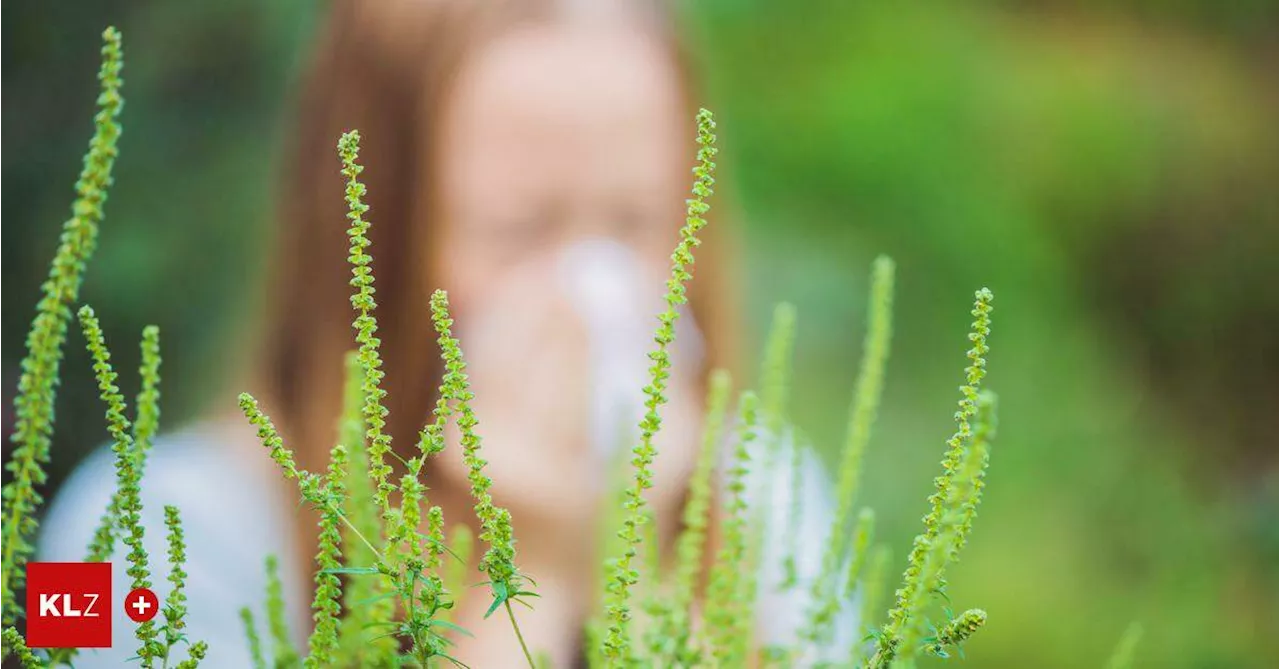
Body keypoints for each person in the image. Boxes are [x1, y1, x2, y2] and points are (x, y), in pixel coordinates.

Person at [41, 0, 853, 665]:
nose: (587, 293)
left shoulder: (776, 501)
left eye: (635, 221)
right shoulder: (128, 540)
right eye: (518, 229)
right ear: (370, 236)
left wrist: (637, 555)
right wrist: (524, 574)